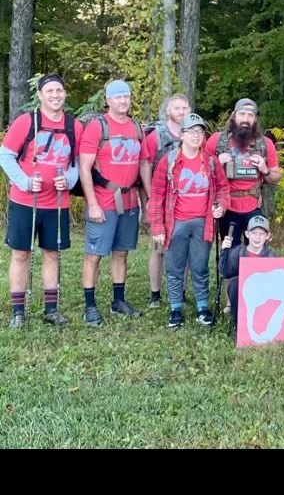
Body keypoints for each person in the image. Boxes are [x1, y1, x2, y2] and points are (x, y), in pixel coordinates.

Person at [0, 73, 83, 327]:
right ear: (40, 95)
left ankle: (51, 309)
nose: (55, 95)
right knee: (21, 254)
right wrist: (24, 181)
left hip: (57, 203)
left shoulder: (74, 126)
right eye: (50, 91)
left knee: (52, 254)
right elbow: (5, 155)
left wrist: (69, 180)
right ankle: (18, 312)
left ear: (65, 94)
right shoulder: (27, 122)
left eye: (59, 90)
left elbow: (78, 162)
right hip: (25, 202)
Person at [79, 79, 151, 325]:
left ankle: (118, 301)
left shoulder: (136, 127)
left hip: (129, 202)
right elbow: (85, 168)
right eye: (118, 97)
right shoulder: (97, 127)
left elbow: (143, 163)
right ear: (108, 100)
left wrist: (149, 197)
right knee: (94, 255)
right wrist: (92, 204)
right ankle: (90, 305)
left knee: (121, 253)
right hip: (104, 201)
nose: (123, 101)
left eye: (126, 96)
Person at [148, 113, 230, 329]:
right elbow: (156, 196)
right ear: (182, 135)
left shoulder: (210, 161)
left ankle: (203, 307)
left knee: (200, 266)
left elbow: (223, 188)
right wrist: (157, 227)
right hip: (175, 223)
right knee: (174, 267)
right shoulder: (169, 161)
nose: (196, 136)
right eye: (191, 131)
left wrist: (221, 206)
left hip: (203, 223)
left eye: (200, 131)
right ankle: (176, 308)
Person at [206, 98, 281, 247]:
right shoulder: (217, 141)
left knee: (255, 253)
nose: (246, 119)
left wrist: (264, 170)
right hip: (226, 207)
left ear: (255, 119)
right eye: (242, 114)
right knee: (230, 252)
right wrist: (216, 164)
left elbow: (276, 178)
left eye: (250, 115)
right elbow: (201, 174)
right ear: (234, 116)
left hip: (255, 207)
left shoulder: (265, 144)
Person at [143, 92, 190, 307]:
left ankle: (180, 292)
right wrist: (150, 195)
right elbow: (145, 164)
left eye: (184, 108)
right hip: (162, 201)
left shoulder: (194, 133)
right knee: (158, 248)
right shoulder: (157, 136)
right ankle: (155, 294)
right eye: (177, 108)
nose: (181, 112)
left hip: (186, 202)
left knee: (185, 248)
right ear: (168, 111)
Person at [220, 213, 276, 325]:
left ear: (267, 236)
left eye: (262, 234)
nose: (257, 237)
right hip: (244, 293)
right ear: (247, 234)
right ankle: (237, 323)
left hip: (263, 295)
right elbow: (225, 272)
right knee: (234, 284)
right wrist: (224, 251)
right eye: (254, 233)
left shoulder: (271, 256)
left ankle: (265, 320)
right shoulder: (238, 252)